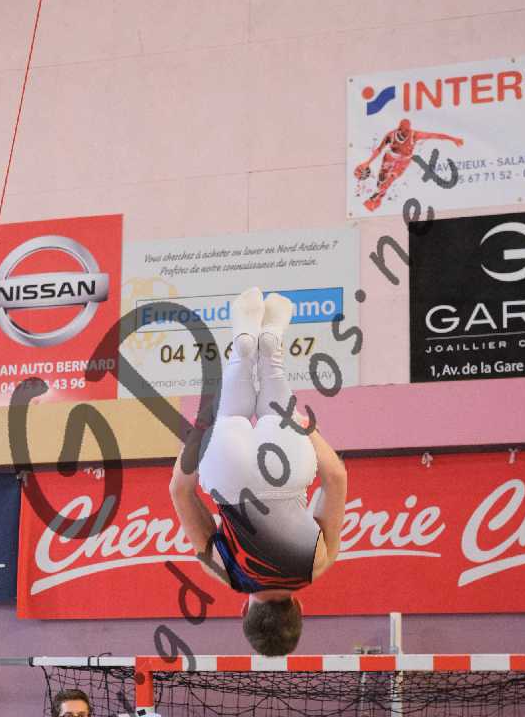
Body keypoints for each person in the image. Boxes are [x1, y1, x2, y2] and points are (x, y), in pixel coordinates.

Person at [169, 287, 347, 656]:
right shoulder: (225, 571)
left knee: (274, 402)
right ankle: (242, 349)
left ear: (299, 608)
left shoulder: (318, 565)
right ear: (242, 612)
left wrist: (307, 430)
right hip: (230, 479)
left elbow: (336, 479)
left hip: (287, 473)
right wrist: (201, 431)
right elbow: (180, 491)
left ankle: (271, 347)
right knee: (231, 413)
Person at [354, 117, 463, 211]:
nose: (408, 131)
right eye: (405, 129)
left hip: (403, 162)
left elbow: (434, 135)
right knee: (381, 181)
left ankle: (372, 200)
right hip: (389, 158)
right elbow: (379, 149)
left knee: (389, 180)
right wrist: (368, 162)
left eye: (408, 129)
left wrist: (453, 139)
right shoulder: (391, 135)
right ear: (399, 128)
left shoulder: (414, 135)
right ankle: (377, 198)